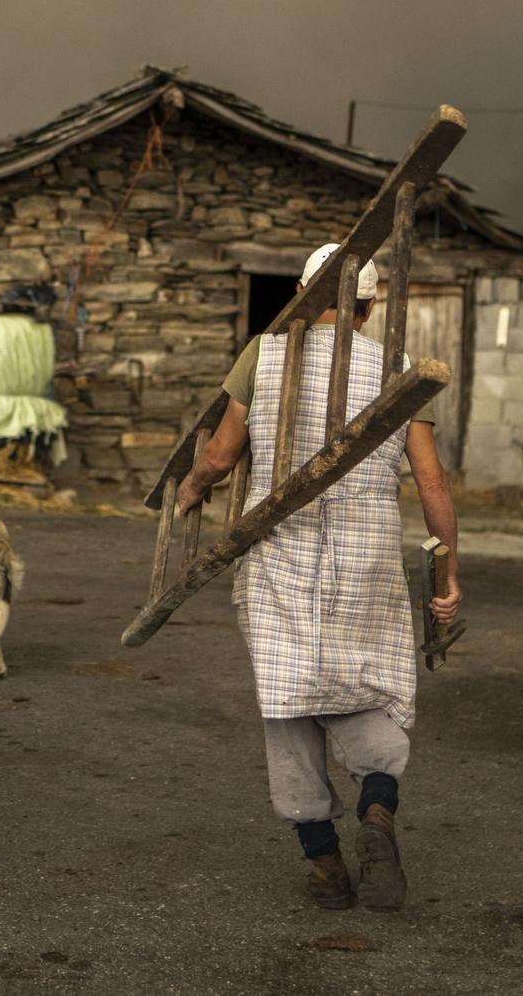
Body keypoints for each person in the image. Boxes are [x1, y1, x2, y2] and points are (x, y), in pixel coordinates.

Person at [175, 243, 462, 913]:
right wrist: (452, 575)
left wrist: (192, 486)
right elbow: (433, 484)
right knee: (369, 691)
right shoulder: (399, 370)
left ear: (302, 293)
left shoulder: (264, 353)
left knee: (288, 700)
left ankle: (327, 866)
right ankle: (378, 812)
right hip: (367, 557)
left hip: (280, 552)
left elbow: (220, 452)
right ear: (365, 309)